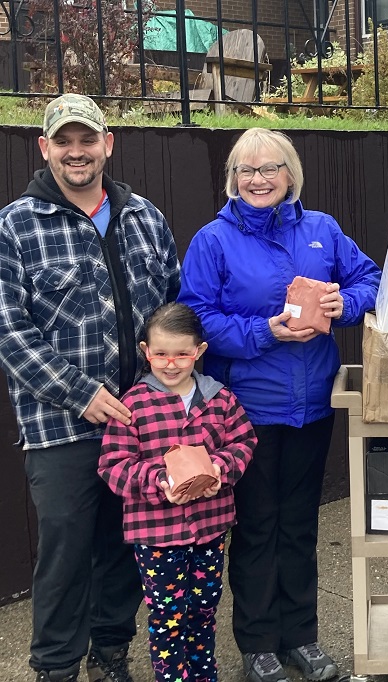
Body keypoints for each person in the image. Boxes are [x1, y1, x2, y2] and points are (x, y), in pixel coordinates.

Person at [177, 128, 381, 682]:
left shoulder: (322, 229)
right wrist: (264, 332)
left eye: (269, 169)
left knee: (299, 526)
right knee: (256, 526)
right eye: (246, 170)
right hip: (245, 413)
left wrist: (346, 303)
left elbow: (372, 279)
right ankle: (258, 643)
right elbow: (197, 321)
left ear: (290, 175)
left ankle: (303, 638)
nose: (258, 179)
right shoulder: (212, 241)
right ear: (232, 179)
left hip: (312, 405)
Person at [0, 94, 181, 682]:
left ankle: (111, 653)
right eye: (64, 141)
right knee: (66, 555)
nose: (76, 152)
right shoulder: (16, 225)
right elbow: (10, 330)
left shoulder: (145, 217)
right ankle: (55, 668)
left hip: (141, 422)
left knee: (128, 546)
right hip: (61, 427)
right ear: (45, 147)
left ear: (108, 143)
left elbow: (173, 311)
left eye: (88, 139)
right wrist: (81, 393)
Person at [98, 302, 257, 682]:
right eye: (161, 354)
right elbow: (112, 464)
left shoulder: (220, 399)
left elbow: (244, 441)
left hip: (210, 527)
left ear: (199, 352)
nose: (171, 364)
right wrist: (158, 482)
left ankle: (204, 675)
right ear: (145, 351)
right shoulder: (132, 405)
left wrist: (221, 467)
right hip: (157, 535)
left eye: (182, 354)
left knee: (204, 608)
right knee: (167, 618)